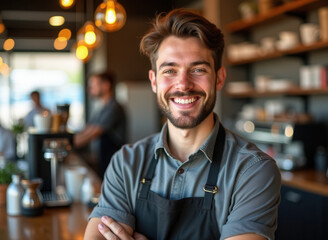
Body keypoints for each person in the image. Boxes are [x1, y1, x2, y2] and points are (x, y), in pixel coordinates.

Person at [84, 9, 281, 240]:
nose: (183, 84)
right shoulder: (126, 162)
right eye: (170, 70)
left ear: (219, 78)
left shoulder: (252, 170)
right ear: (154, 81)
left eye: (198, 69)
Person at [74, 71, 127, 179]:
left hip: (113, 161)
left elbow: (96, 131)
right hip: (102, 160)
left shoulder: (114, 107)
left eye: (94, 84)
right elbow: (88, 129)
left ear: (106, 85)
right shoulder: (102, 108)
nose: (90, 88)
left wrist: (72, 144)